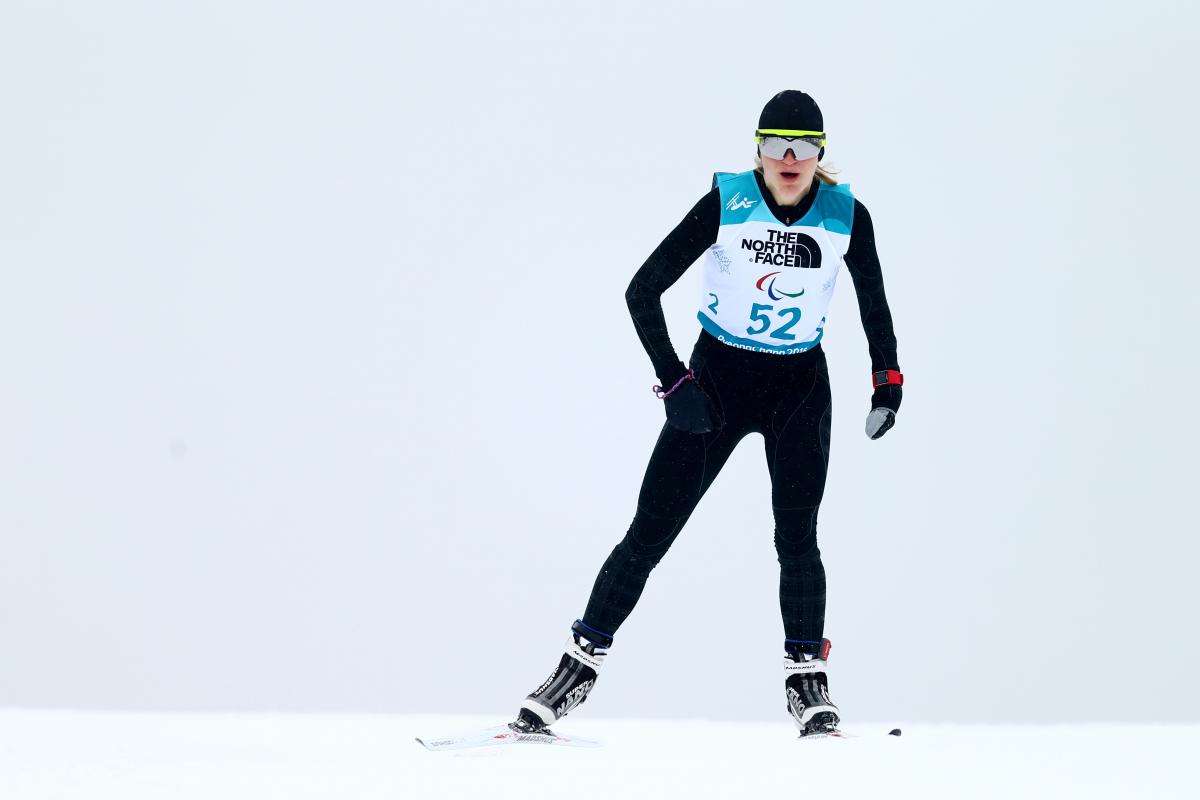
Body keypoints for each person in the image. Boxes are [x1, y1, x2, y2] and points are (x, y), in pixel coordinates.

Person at [513, 90, 903, 737]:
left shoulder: (846, 217)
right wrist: (674, 381)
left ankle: (808, 685)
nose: (788, 158)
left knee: (797, 537)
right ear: (757, 149)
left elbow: (875, 306)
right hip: (718, 382)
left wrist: (886, 383)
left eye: (804, 148)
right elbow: (641, 290)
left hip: (799, 389)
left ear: (821, 156)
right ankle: (573, 670)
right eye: (776, 144)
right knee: (649, 533)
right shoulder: (729, 202)